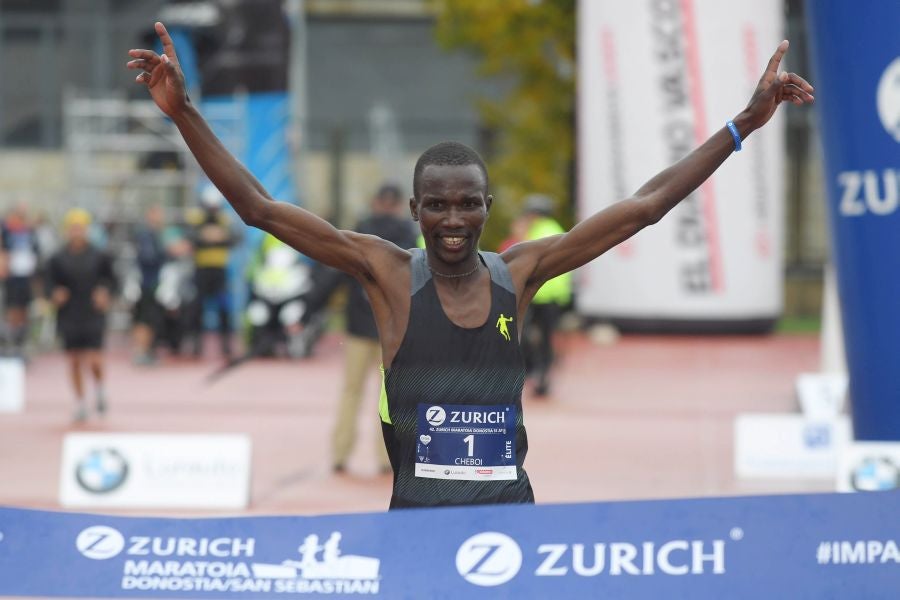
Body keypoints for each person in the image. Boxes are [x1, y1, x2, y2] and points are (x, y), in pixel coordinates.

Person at [129, 23, 813, 508]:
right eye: (436, 206)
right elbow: (259, 208)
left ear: (489, 206)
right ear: (417, 210)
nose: (452, 222)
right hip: (415, 533)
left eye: (466, 205)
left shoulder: (523, 270)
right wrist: (185, 112)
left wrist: (742, 126)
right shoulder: (387, 272)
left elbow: (645, 206)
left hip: (508, 524)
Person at [328, 183, 419, 475]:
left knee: (351, 391)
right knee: (391, 395)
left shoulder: (361, 230)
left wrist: (310, 307)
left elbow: (337, 273)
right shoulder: (408, 235)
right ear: (397, 205)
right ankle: (387, 457)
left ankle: (340, 453)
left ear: (376, 202)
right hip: (392, 328)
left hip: (357, 325)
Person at [47, 209, 117, 422]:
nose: (76, 232)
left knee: (94, 359)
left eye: (80, 228)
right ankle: (79, 402)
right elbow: (49, 283)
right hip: (69, 313)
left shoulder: (100, 255)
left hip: (92, 311)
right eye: (73, 228)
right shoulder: (57, 258)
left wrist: (105, 293)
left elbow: (113, 280)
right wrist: (54, 294)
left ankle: (100, 389)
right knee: (74, 360)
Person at [518, 194, 572, 397]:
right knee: (547, 337)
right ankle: (543, 376)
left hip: (538, 294)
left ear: (535, 214)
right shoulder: (556, 230)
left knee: (524, 334)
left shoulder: (536, 233)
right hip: (554, 296)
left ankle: (535, 371)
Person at [187, 186, 237, 359]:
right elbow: (191, 238)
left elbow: (235, 238)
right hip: (201, 269)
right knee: (197, 307)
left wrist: (219, 237)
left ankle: (226, 345)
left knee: (224, 308)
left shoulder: (225, 219)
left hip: (219, 269)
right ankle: (196, 344)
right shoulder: (196, 218)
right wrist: (206, 237)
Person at [0, 203, 41, 356]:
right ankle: (10, 340)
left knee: (24, 308)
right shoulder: (6, 230)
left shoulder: (30, 232)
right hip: (12, 275)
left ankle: (20, 341)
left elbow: (36, 251)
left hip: (26, 275)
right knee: (12, 307)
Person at [131, 204, 167, 365]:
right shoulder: (146, 235)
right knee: (144, 319)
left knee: (152, 319)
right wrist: (169, 253)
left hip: (154, 283)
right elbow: (147, 257)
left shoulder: (157, 234)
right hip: (145, 283)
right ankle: (141, 351)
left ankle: (148, 351)